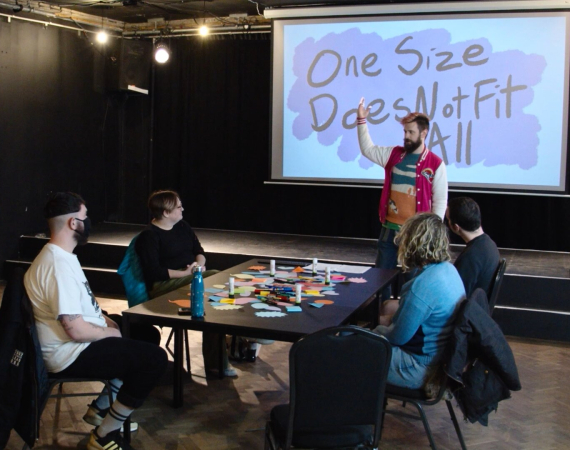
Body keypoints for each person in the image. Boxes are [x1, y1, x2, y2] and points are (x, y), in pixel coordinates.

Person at [24, 192, 167, 450]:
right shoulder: (57, 265)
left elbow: (81, 304)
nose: (88, 222)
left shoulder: (63, 255)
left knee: (145, 333)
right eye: (84, 217)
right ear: (72, 224)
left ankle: (101, 408)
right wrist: (108, 334)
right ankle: (103, 435)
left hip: (74, 342)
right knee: (155, 359)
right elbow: (75, 329)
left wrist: (104, 319)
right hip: (69, 354)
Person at [135, 190, 237, 376]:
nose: (183, 209)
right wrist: (186, 273)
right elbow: (154, 272)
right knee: (216, 278)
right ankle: (234, 343)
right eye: (179, 206)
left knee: (214, 307)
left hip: (190, 277)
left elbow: (199, 251)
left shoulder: (183, 226)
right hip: (164, 286)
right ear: (166, 212)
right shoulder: (149, 236)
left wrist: (198, 266)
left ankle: (222, 357)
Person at [357, 99, 448, 296]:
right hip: (389, 229)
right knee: (380, 279)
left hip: (416, 234)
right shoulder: (394, 155)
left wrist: (431, 231)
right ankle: (379, 318)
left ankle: (407, 320)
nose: (406, 136)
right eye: (405, 132)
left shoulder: (435, 163)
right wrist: (362, 121)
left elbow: (440, 199)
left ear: (423, 133)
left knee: (413, 283)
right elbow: (368, 150)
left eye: (411, 132)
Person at [373, 213, 465, 389]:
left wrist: (375, 331)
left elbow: (397, 337)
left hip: (419, 367)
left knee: (348, 351)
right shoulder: (449, 270)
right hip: (439, 360)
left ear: (412, 244)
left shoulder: (422, 286)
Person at [446, 197, 500, 297]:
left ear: (456, 227)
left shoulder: (471, 257)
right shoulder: (489, 244)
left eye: (448, 220)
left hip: (465, 309)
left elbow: (455, 294)